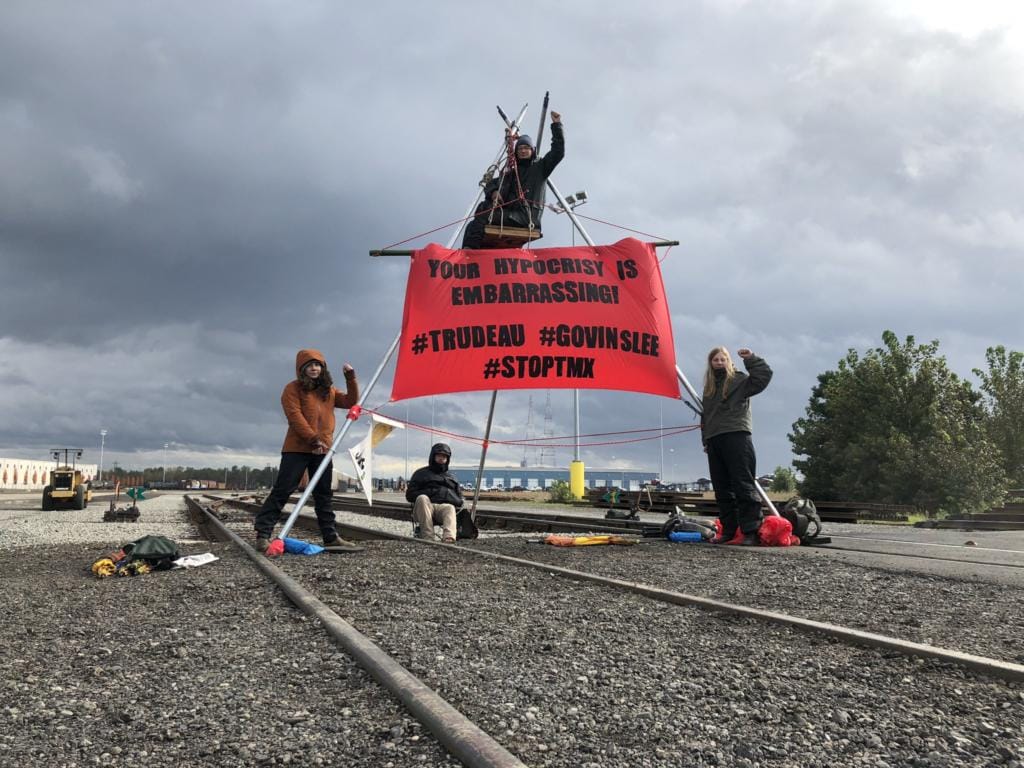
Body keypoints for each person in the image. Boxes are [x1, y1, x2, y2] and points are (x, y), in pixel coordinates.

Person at [254, 349, 359, 553]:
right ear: (301, 369)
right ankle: (263, 534)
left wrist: (350, 377)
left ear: (323, 368)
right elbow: (295, 417)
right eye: (309, 365)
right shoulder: (292, 389)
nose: (314, 368)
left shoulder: (328, 391)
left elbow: (351, 402)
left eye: (318, 364)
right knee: (283, 490)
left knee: (323, 494)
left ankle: (330, 537)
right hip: (297, 449)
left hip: (323, 450)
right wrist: (314, 439)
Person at [700, 347, 773, 545]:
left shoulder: (739, 380)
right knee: (722, 488)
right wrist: (705, 439)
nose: (719, 362)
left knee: (743, 484)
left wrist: (751, 359)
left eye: (723, 359)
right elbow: (705, 416)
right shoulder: (709, 388)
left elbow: (763, 377)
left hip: (737, 435)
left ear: (729, 361)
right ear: (711, 363)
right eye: (716, 359)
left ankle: (751, 531)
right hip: (715, 439)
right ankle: (729, 531)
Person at [461, 111, 565, 249]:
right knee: (474, 222)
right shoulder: (511, 173)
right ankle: (474, 252)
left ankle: (471, 252)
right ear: (515, 152)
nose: (523, 151)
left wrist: (556, 125)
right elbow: (492, 184)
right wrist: (494, 193)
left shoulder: (540, 168)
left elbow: (558, 152)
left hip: (526, 218)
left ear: (532, 150)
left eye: (526, 148)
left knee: (483, 215)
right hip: (511, 214)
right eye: (520, 148)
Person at [406, 442, 463, 543]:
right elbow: (410, 495)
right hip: (423, 507)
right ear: (433, 456)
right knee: (422, 498)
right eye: (439, 455)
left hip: (441, 509)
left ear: (448, 459)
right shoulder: (420, 474)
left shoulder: (452, 478)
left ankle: (449, 538)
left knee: (450, 507)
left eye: (444, 456)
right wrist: (433, 492)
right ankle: (428, 537)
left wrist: (446, 494)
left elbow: (459, 501)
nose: (442, 458)